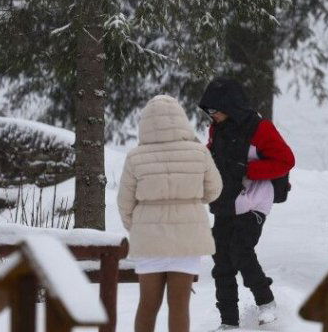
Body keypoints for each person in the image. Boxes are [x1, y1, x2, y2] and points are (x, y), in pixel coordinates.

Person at [117, 95, 223, 332]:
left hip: (150, 241)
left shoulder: (136, 157)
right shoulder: (198, 152)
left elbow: (125, 203)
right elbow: (214, 190)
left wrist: (137, 228)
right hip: (186, 240)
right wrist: (193, 200)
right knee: (179, 307)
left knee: (147, 305)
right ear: (181, 120)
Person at [199, 77, 295, 330]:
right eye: (208, 111)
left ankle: (266, 302)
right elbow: (213, 154)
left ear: (230, 106)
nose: (212, 116)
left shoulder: (260, 128)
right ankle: (228, 322)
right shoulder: (216, 129)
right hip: (225, 201)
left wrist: (249, 170)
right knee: (221, 261)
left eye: (215, 111)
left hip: (255, 201)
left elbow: (285, 160)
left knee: (240, 250)